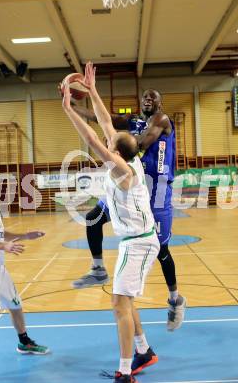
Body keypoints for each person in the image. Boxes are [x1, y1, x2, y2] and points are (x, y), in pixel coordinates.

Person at [62, 63, 160, 383]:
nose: (110, 134)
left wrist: (68, 108)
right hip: (137, 240)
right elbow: (103, 122)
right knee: (125, 299)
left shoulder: (123, 170)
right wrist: (92, 90)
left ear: (115, 150)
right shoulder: (130, 157)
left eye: (112, 140)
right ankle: (144, 350)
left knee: (119, 304)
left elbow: (92, 139)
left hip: (138, 242)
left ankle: (125, 371)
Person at [70, 84, 186, 334]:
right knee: (93, 218)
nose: (148, 99)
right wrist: (72, 106)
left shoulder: (161, 119)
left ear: (159, 103)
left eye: (153, 97)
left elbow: (142, 143)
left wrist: (113, 143)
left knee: (161, 249)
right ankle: (98, 268)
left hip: (156, 190)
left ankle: (175, 298)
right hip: (129, 186)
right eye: (145, 96)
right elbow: (102, 118)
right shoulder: (132, 121)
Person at [0, 210, 49, 355]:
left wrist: (25, 236)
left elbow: (1, 234)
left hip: (0, 269)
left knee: (15, 305)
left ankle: (24, 342)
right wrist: (3, 246)